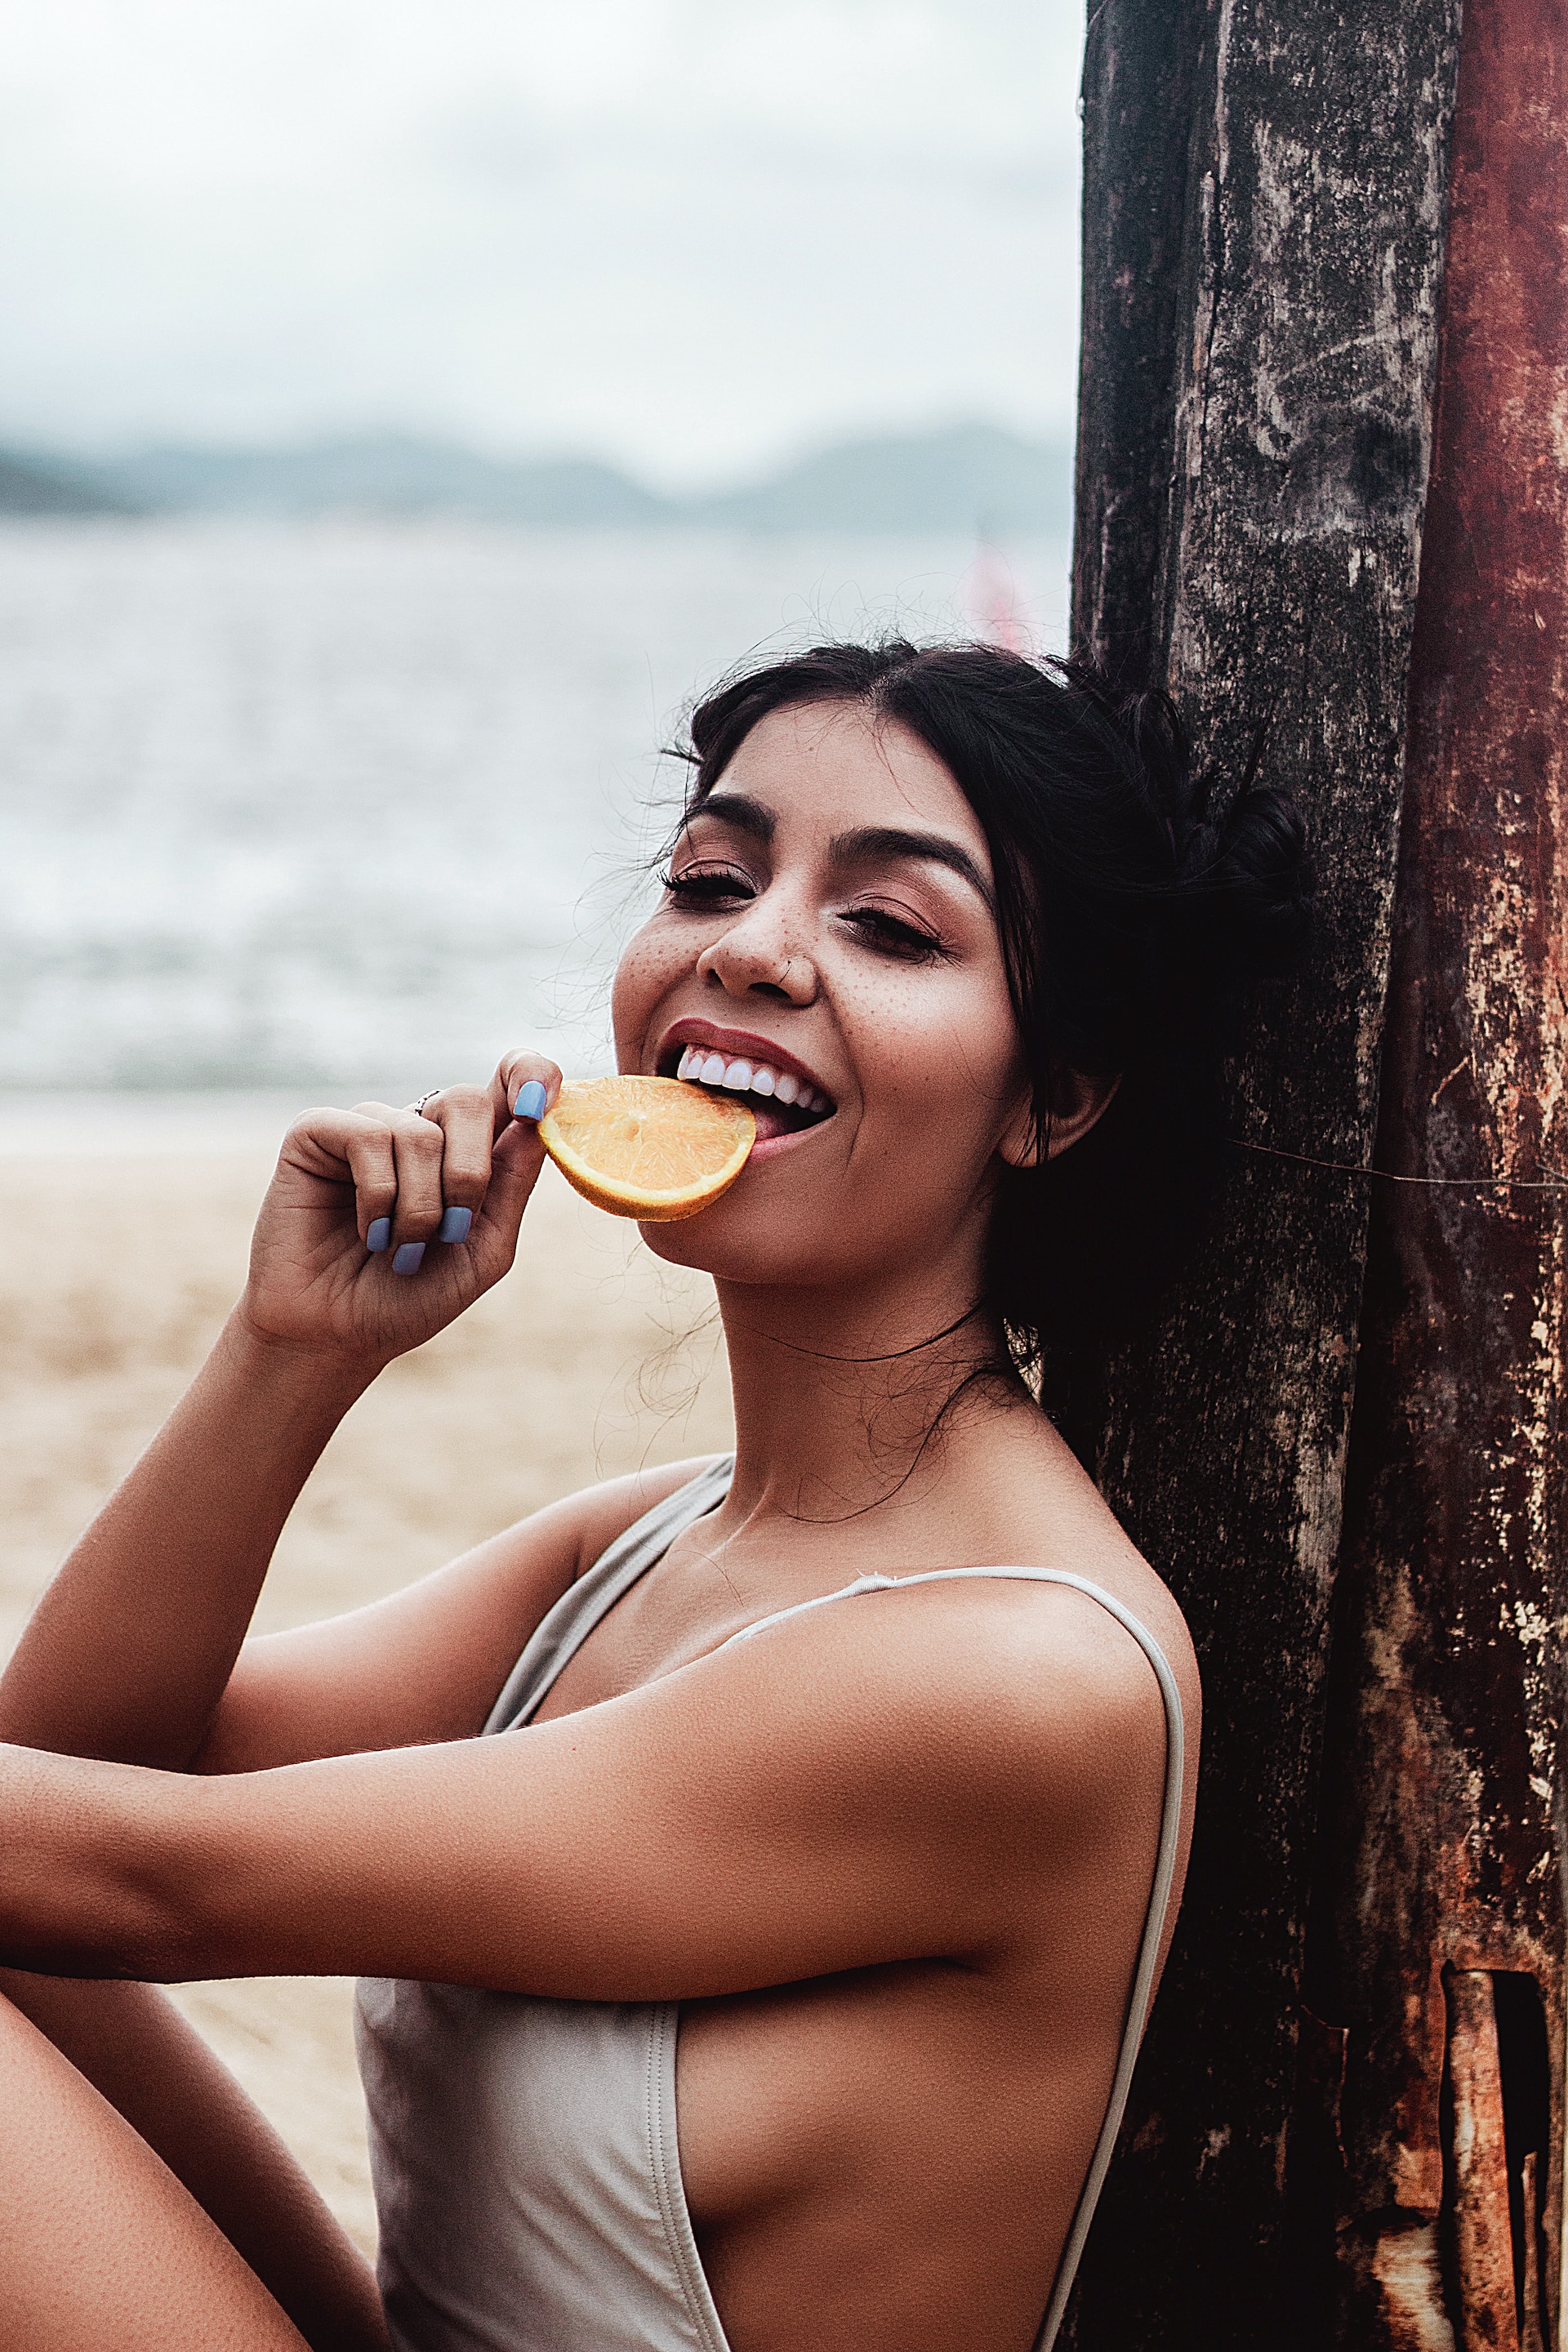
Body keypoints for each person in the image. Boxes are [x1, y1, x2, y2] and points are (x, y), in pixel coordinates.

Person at [0, 640, 1309, 2352]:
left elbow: (152, 1883)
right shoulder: (646, 1547)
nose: (752, 947)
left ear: (1050, 1100)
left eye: (892, 927)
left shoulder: (1013, 1677)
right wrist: (290, 1356)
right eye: (714, 876)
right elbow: (72, 1790)